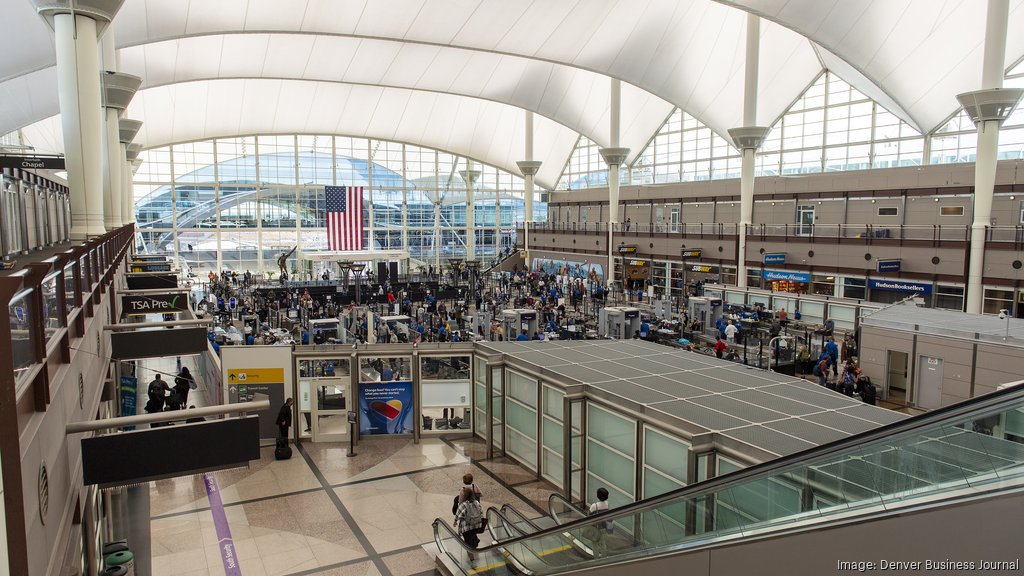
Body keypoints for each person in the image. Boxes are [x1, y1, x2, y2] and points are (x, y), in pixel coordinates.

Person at [453, 486, 484, 560]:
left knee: (467, 543)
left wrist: (455, 522)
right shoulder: (476, 502)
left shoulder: (463, 505)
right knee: (472, 535)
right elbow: (481, 512)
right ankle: (475, 541)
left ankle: (472, 559)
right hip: (477, 526)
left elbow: (458, 515)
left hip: (467, 528)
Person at [588, 487, 612, 557]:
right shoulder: (607, 504)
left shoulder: (594, 506)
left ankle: (596, 558)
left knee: (595, 544)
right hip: (603, 527)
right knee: (603, 543)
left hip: (595, 528)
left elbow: (588, 515)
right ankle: (604, 557)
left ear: (598, 496)